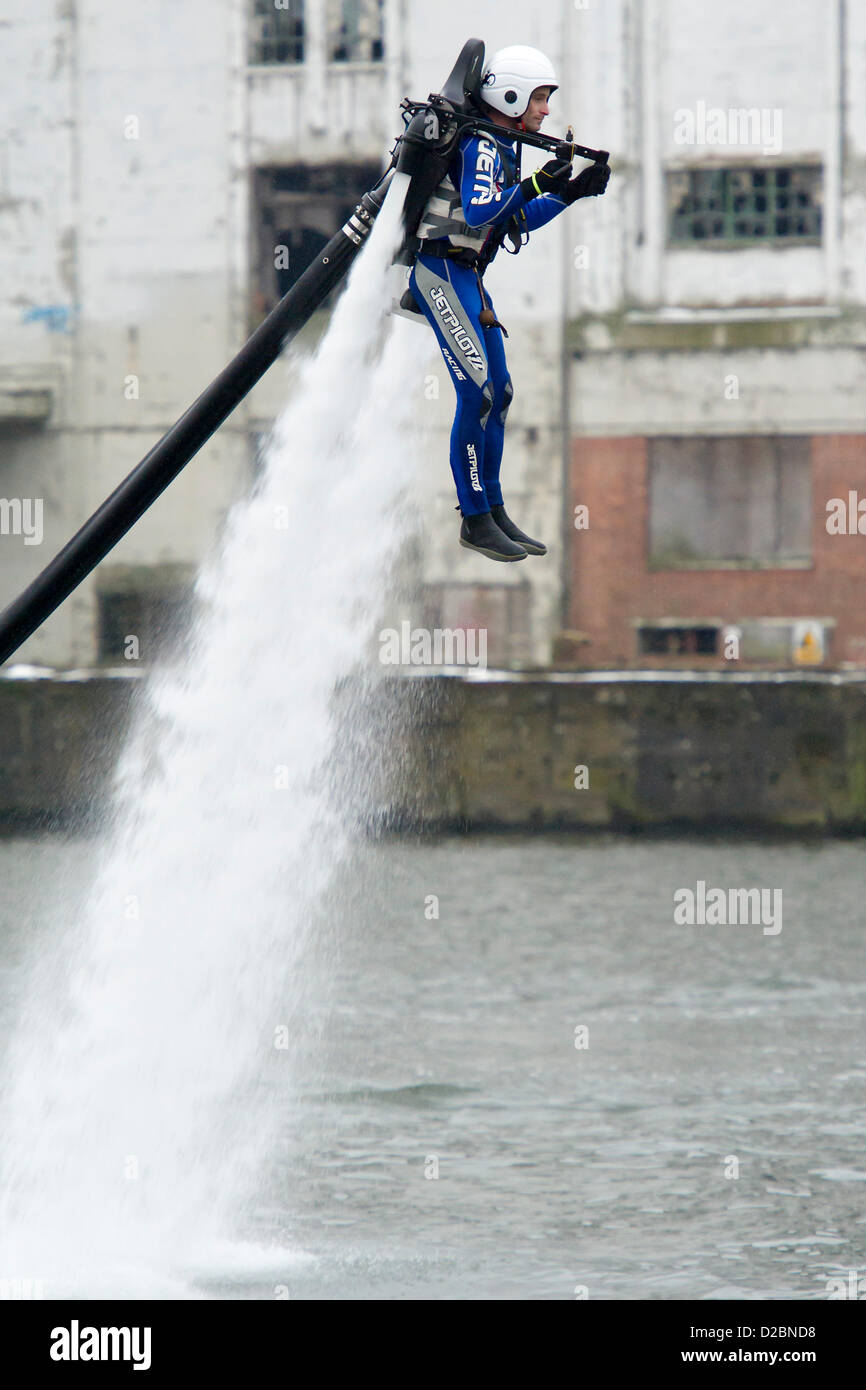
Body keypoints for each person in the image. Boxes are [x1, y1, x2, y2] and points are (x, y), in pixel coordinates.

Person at [406, 45, 611, 561]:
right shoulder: (481, 146)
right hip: (442, 270)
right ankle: (474, 519)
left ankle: (492, 509)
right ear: (512, 94)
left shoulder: (501, 145)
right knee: (476, 396)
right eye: (540, 98)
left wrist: (570, 193)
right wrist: (538, 182)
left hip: (467, 274)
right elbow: (479, 212)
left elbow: (511, 220)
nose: (544, 110)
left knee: (500, 393)